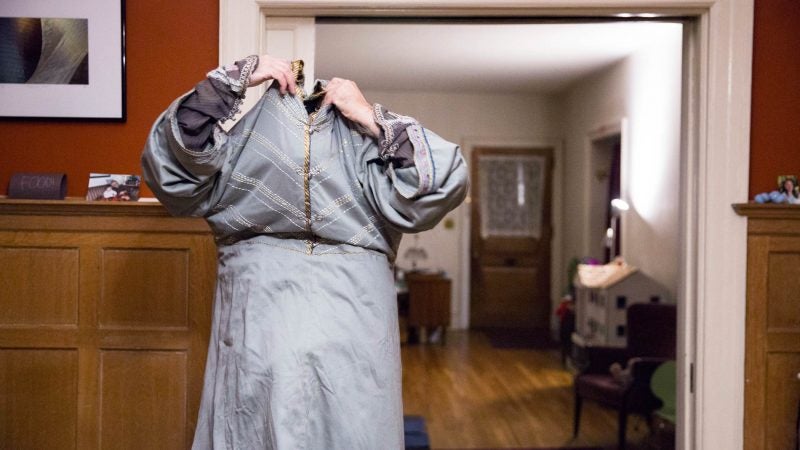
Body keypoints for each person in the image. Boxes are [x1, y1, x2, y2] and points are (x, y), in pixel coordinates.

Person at [141, 54, 468, 449]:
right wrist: (230, 82)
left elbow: (443, 180)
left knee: (353, 428)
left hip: (353, 323)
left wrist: (369, 116)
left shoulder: (365, 154)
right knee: (254, 425)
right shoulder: (242, 147)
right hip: (260, 321)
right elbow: (171, 163)